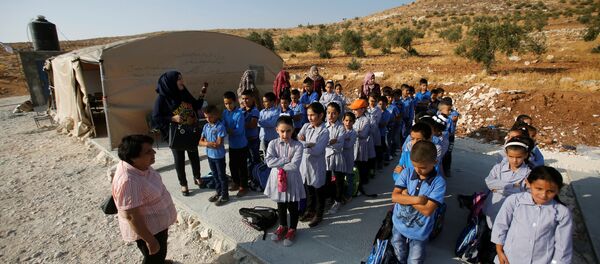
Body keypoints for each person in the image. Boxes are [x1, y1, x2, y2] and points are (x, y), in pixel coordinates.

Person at [113, 135, 177, 263]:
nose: (154, 152)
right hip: (150, 231)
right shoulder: (129, 181)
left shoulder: (140, 166)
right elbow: (131, 216)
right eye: (148, 151)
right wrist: (150, 240)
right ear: (133, 158)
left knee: (159, 254)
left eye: (152, 149)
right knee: (153, 257)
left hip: (157, 225)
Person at [491, 166, 573, 264]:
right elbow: (501, 226)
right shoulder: (514, 201)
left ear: (558, 190)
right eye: (539, 188)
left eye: (550, 191)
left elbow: (563, 245)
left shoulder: (562, 212)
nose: (543, 195)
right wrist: (499, 251)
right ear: (528, 183)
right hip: (510, 259)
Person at [391, 140, 446, 264]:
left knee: (415, 260)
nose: (418, 171)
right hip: (399, 225)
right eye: (415, 166)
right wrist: (418, 200)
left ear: (435, 163)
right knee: (398, 252)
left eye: (423, 167)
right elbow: (395, 197)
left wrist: (406, 197)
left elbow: (427, 210)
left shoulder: (438, 183)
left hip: (419, 232)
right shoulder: (407, 172)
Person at [151, 71, 205, 196]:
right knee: (179, 159)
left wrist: (202, 94)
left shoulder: (183, 92)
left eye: (181, 78)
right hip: (175, 134)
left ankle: (197, 177)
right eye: (179, 79)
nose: (182, 81)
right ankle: (183, 184)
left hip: (189, 131)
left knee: (194, 155)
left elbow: (196, 105)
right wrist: (172, 118)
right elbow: (156, 117)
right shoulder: (162, 98)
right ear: (170, 83)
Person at [481, 136, 534, 262]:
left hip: (511, 215)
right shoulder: (498, 168)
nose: (514, 160)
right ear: (506, 154)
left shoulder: (529, 173)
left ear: (525, 155)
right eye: (511, 156)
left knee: (500, 241)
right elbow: (489, 182)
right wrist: (513, 186)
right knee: (485, 237)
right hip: (492, 208)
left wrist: (499, 188)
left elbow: (525, 193)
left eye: (519, 157)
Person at [264, 116, 305, 247]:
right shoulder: (272, 144)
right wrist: (286, 160)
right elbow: (269, 162)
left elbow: (295, 166)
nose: (285, 134)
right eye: (282, 131)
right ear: (276, 130)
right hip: (277, 179)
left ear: (293, 130)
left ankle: (292, 229)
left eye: (288, 131)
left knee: (292, 206)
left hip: (292, 179)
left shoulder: (298, 145)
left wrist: (279, 162)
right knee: (281, 204)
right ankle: (282, 226)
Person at [298, 102, 330, 227]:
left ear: (321, 115)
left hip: (316, 166)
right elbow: (297, 139)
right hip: (305, 165)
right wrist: (308, 144)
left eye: (312, 115)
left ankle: (319, 214)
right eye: (308, 115)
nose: (309, 118)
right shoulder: (306, 126)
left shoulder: (324, 131)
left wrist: (303, 144)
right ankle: (310, 210)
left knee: (319, 191)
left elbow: (317, 150)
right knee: (309, 189)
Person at [200, 105, 229, 206]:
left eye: (210, 117)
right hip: (210, 156)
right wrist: (208, 143)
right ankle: (218, 192)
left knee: (221, 176)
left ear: (216, 115)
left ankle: (225, 195)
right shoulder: (205, 126)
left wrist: (207, 143)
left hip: (219, 156)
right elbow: (200, 141)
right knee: (215, 175)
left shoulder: (220, 126)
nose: (208, 119)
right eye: (206, 117)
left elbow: (218, 144)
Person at [223, 91, 249, 197]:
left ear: (235, 102)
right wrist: (227, 129)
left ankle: (244, 186)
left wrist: (228, 130)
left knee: (242, 166)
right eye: (226, 103)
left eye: (230, 103)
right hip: (232, 145)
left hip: (241, 145)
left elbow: (239, 130)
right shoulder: (225, 113)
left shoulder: (239, 114)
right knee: (232, 165)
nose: (228, 105)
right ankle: (236, 182)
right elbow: (223, 125)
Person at [324, 102, 347, 214]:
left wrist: (327, 143)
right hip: (325, 157)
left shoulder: (341, 128)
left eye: (333, 113)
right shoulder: (323, 126)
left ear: (338, 114)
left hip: (337, 157)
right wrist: (331, 141)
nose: (330, 116)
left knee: (339, 180)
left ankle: (338, 201)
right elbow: (319, 142)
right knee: (326, 180)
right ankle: (329, 198)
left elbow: (340, 145)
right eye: (328, 113)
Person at [350, 99, 376, 197]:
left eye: (356, 110)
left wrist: (352, 132)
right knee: (355, 167)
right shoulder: (355, 119)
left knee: (361, 167)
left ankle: (360, 187)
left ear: (363, 109)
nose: (354, 111)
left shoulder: (366, 120)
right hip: (354, 146)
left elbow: (363, 134)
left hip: (361, 147)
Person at [241, 90, 261, 169]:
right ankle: (251, 176)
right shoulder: (241, 110)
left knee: (255, 160)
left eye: (247, 98)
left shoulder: (255, 111)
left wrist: (240, 125)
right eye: (243, 99)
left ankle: (257, 177)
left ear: (252, 98)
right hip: (244, 140)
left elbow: (252, 124)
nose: (244, 101)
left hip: (253, 140)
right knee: (248, 160)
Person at [342, 112, 357, 200]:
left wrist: (341, 140)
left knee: (349, 176)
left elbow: (348, 145)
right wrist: (344, 139)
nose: (348, 123)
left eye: (350, 121)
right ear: (343, 121)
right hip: (341, 156)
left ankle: (349, 194)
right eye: (346, 120)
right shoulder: (341, 130)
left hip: (348, 156)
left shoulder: (353, 133)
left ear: (353, 122)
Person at [367, 94, 383, 171]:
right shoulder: (366, 109)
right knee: (370, 150)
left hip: (375, 131)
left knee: (377, 149)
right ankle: (371, 168)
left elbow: (377, 121)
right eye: (371, 101)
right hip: (367, 132)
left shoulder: (378, 110)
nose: (372, 103)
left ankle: (379, 165)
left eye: (374, 101)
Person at [378, 96, 392, 163]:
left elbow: (383, 124)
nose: (381, 106)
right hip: (376, 134)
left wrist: (376, 122)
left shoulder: (387, 113)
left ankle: (386, 159)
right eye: (380, 104)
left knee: (384, 147)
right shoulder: (376, 112)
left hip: (383, 133)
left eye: (383, 104)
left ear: (386, 104)